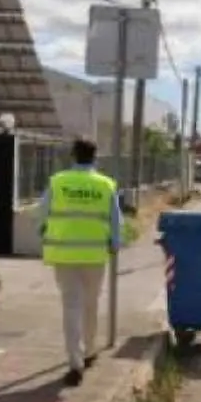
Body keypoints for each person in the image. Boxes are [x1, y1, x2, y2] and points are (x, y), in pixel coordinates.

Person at [41, 137, 120, 388]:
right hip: (95, 256)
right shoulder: (106, 185)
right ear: (95, 157)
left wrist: (47, 233)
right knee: (90, 305)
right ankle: (89, 351)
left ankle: (75, 362)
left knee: (71, 308)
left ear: (73, 156)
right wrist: (114, 245)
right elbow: (116, 220)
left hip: (64, 256)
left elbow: (41, 214)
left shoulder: (58, 181)